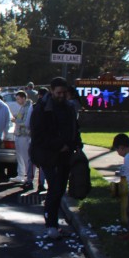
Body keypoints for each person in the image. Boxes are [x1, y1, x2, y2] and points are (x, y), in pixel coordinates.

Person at [30, 77, 82, 239]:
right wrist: (59, 145)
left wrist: (76, 143)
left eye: (64, 93)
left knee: (59, 189)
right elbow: (38, 135)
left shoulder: (69, 107)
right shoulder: (42, 108)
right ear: (52, 91)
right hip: (48, 155)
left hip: (65, 154)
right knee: (55, 188)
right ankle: (51, 224)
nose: (61, 96)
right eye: (58, 93)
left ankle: (53, 224)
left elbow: (74, 128)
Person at [10, 90, 33, 186]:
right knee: (20, 156)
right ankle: (21, 174)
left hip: (24, 135)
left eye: (18, 99)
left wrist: (16, 122)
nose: (17, 101)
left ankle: (28, 176)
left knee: (25, 156)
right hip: (19, 134)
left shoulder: (28, 107)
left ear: (24, 98)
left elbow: (26, 122)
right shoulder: (22, 107)